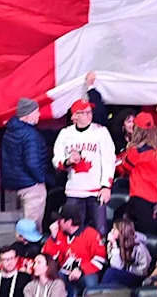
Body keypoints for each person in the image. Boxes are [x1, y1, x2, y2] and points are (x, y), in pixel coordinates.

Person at [51, 97, 116, 234]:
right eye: (84, 112)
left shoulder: (101, 132)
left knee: (100, 231)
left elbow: (109, 160)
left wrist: (106, 186)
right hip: (74, 190)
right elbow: (56, 161)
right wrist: (68, 161)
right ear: (75, 116)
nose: (89, 115)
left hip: (96, 191)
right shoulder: (65, 134)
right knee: (74, 231)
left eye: (90, 112)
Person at [3, 97, 54, 232]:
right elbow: (32, 163)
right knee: (32, 228)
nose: (39, 114)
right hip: (31, 185)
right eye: (36, 112)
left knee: (26, 225)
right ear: (27, 115)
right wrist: (42, 179)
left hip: (17, 182)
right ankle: (29, 246)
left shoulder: (11, 130)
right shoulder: (31, 135)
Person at [115, 112, 157, 235]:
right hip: (154, 195)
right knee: (120, 214)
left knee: (146, 232)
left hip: (140, 196)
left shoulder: (135, 151)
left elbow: (124, 167)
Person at [43, 205, 105, 295]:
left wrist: (81, 270)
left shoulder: (91, 234)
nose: (57, 223)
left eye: (60, 220)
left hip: (86, 272)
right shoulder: (58, 233)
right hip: (63, 272)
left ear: (69, 222)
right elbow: (48, 257)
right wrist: (53, 238)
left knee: (90, 282)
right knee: (51, 280)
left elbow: (100, 259)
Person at [101, 217, 152, 287]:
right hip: (122, 274)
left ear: (123, 231)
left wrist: (128, 269)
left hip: (137, 277)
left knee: (111, 273)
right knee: (112, 280)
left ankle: (99, 291)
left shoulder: (140, 248)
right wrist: (114, 246)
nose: (112, 231)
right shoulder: (113, 243)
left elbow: (143, 271)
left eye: (115, 229)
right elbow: (116, 266)